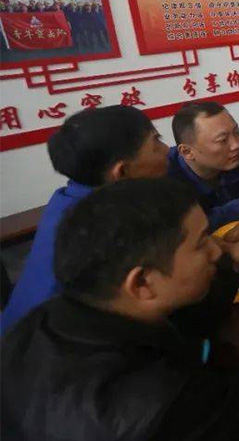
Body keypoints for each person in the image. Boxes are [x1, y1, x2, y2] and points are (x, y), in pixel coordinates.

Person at [0, 178, 239, 441]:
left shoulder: (50, 319)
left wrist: (229, 263)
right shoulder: (158, 405)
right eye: (201, 243)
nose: (216, 247)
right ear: (141, 282)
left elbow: (185, 325)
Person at [2, 106, 169, 333]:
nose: (166, 150)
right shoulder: (106, 228)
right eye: (156, 142)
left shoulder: (72, 196)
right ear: (121, 172)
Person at [169, 102, 239, 230]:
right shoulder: (166, 178)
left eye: (236, 132)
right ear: (187, 152)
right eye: (222, 140)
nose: (236, 145)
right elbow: (191, 229)